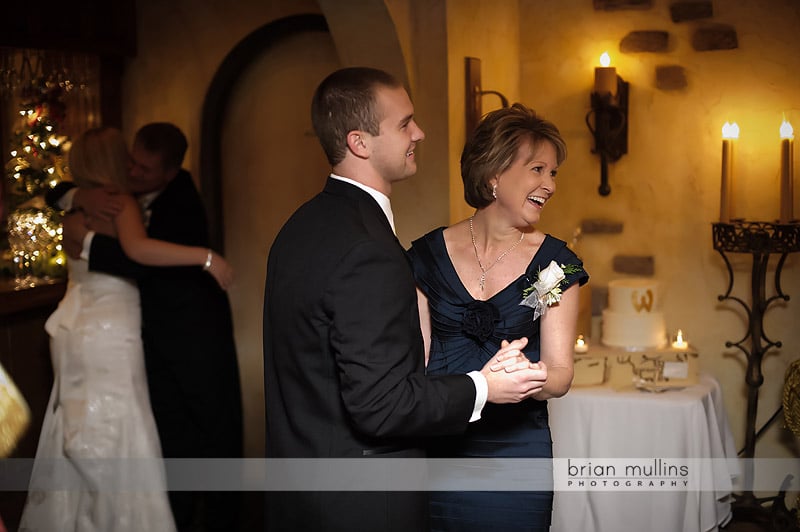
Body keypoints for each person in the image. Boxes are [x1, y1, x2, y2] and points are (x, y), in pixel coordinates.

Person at [263, 67, 550, 532]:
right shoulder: (368, 249)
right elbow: (382, 404)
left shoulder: (299, 228)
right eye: (404, 123)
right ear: (360, 142)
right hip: (361, 505)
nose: (420, 132)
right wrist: (484, 387)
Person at [19, 126, 236, 532]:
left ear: (168, 172)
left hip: (81, 327)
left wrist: (79, 214)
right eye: (129, 160)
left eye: (142, 166)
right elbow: (138, 253)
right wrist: (209, 259)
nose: (134, 170)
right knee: (118, 420)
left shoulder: (80, 212)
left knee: (80, 417)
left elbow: (72, 207)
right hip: (111, 330)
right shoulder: (117, 203)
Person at [408, 103, 590, 531]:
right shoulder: (426, 259)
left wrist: (530, 374)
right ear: (494, 174)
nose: (549, 184)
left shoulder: (551, 267)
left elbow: (562, 375)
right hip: (438, 450)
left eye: (553, 173)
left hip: (516, 456)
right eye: (538, 169)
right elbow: (414, 368)